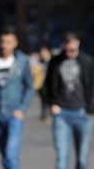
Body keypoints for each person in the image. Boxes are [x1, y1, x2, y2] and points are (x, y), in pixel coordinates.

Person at [0, 27, 34, 169]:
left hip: (14, 114)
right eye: (2, 42)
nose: (4, 45)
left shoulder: (22, 61)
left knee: (11, 154)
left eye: (8, 42)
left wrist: (22, 109)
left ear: (15, 43)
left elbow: (29, 86)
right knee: (5, 153)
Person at [45, 32, 94, 169]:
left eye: (72, 50)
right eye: (66, 49)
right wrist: (52, 103)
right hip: (62, 114)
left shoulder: (87, 61)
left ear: (78, 44)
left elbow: (91, 85)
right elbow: (47, 84)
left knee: (82, 159)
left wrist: (90, 109)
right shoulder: (55, 61)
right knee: (62, 157)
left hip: (82, 113)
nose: (69, 53)